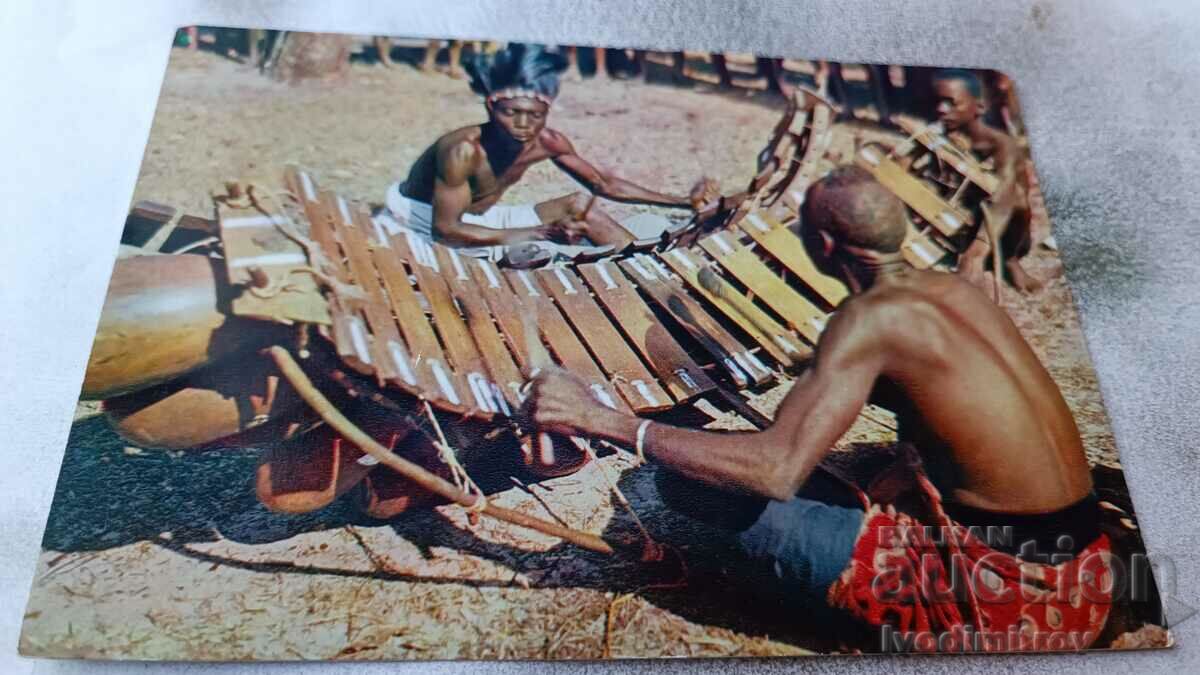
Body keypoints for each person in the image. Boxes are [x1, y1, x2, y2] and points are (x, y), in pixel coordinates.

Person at [523, 166, 1112, 652]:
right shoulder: (956, 290)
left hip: (1014, 604)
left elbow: (775, 470)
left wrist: (604, 421)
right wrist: (910, 464)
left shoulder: (866, 321)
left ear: (823, 246)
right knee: (794, 477)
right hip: (1091, 573)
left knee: (685, 485)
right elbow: (954, 402)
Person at [380, 44, 718, 260]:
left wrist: (683, 202)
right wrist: (538, 233)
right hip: (423, 226)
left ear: (547, 112)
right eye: (511, 113)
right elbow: (447, 230)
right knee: (539, 248)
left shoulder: (548, 141)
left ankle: (645, 269)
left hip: (479, 221)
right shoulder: (462, 151)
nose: (523, 124)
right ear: (490, 107)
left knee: (577, 206)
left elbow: (604, 185)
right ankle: (638, 273)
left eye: (535, 115)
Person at [932, 69, 1042, 293]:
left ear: (979, 107)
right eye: (938, 102)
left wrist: (976, 255)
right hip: (961, 219)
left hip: (1000, 227)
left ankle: (1009, 259)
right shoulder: (940, 136)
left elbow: (1003, 198)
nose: (941, 110)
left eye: (952, 103)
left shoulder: (1002, 146)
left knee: (1018, 199)